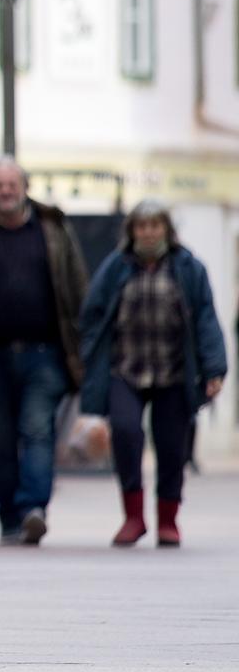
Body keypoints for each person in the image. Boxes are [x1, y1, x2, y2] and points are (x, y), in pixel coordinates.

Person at [0, 159, 89, 546]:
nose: (6, 191)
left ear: (25, 187)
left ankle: (34, 508)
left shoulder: (53, 228)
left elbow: (78, 284)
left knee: (36, 429)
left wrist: (84, 341)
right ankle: (8, 515)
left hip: (45, 353)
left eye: (12, 183)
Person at [79, 201, 226, 548]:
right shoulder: (116, 267)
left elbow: (205, 318)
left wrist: (214, 367)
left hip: (173, 372)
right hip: (125, 369)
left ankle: (168, 520)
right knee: (127, 433)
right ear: (131, 231)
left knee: (172, 446)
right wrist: (89, 353)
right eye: (141, 227)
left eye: (154, 226)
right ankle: (133, 516)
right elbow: (93, 314)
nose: (147, 233)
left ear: (166, 230)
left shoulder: (188, 268)